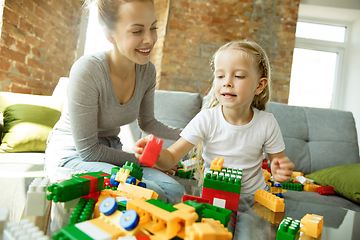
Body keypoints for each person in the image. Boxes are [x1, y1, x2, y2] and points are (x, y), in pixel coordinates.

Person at [44, 0, 183, 203]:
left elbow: (147, 123)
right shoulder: (88, 70)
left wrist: (193, 134)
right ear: (110, 35)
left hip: (111, 150)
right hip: (73, 152)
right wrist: (151, 162)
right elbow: (89, 151)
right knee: (153, 195)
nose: (150, 39)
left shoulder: (147, 70)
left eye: (153, 28)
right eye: (137, 31)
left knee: (175, 191)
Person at [134, 39, 295, 195]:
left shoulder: (267, 122)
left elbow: (278, 161)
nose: (227, 82)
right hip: (214, 195)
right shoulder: (206, 119)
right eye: (220, 76)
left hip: (253, 198)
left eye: (238, 76)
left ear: (259, 86)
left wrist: (280, 171)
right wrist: (154, 152)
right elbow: (171, 157)